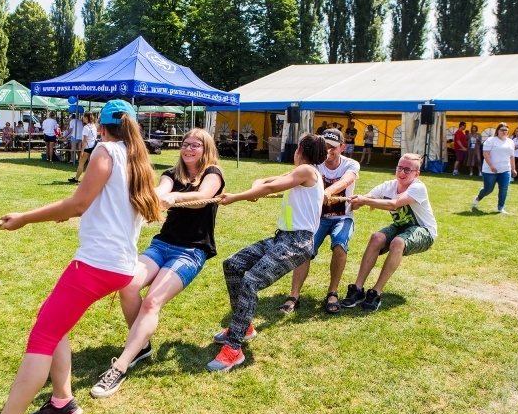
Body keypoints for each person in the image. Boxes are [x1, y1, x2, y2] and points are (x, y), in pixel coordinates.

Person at [0, 99, 161, 414]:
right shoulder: (137, 159)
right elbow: (99, 205)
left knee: (43, 336)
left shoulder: (105, 150)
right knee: (57, 325)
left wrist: (24, 218)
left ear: (100, 127)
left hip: (96, 266)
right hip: (118, 266)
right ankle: (62, 401)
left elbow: (78, 204)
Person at [90, 128, 224, 397]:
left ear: (206, 148)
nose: (188, 149)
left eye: (195, 145)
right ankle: (141, 345)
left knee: (152, 302)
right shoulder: (172, 175)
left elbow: (202, 198)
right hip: (162, 245)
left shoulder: (213, 174)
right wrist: (154, 194)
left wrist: (175, 197)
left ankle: (121, 366)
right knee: (127, 286)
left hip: (192, 250)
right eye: (185, 144)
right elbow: (161, 189)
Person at [207, 133, 327, 372]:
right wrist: (255, 190)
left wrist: (238, 198)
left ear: (300, 150)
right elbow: (266, 179)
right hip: (281, 238)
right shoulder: (300, 173)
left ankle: (234, 348)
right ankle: (244, 325)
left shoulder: (307, 171)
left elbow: (270, 186)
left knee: (251, 281)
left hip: (297, 243)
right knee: (232, 264)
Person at [342, 153, 437, 311]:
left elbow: (394, 204)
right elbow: (366, 198)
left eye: (407, 170)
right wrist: (354, 200)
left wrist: (365, 201)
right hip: (401, 227)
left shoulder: (418, 187)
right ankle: (357, 289)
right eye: (400, 168)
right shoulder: (388, 186)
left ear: (416, 174)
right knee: (376, 238)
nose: (402, 173)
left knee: (398, 242)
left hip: (425, 231)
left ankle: (376, 293)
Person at [284, 128, 359, 315]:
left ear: (342, 147)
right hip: (316, 218)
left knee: (340, 245)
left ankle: (332, 293)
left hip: (343, 217)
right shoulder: (315, 163)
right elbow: (292, 177)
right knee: (305, 251)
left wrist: (328, 192)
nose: (328, 151)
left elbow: (346, 181)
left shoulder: (351, 165)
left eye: (332, 147)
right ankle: (294, 295)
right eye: (325, 146)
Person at [471, 122, 516, 214]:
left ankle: (500, 208)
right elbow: (485, 154)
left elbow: (511, 156)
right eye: (502, 130)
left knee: (504, 189)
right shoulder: (491, 140)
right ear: (497, 131)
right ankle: (478, 198)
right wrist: (491, 166)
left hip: (505, 169)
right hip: (490, 170)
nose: (504, 132)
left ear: (508, 132)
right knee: (488, 189)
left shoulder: (510, 142)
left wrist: (513, 168)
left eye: (506, 130)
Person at [68, 112, 97, 183]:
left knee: (81, 164)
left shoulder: (86, 127)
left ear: (86, 118)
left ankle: (76, 178)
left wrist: (82, 150)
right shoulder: (94, 126)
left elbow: (85, 140)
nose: (82, 118)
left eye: (83, 117)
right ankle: (90, 179)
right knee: (90, 165)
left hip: (87, 147)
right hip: (93, 147)